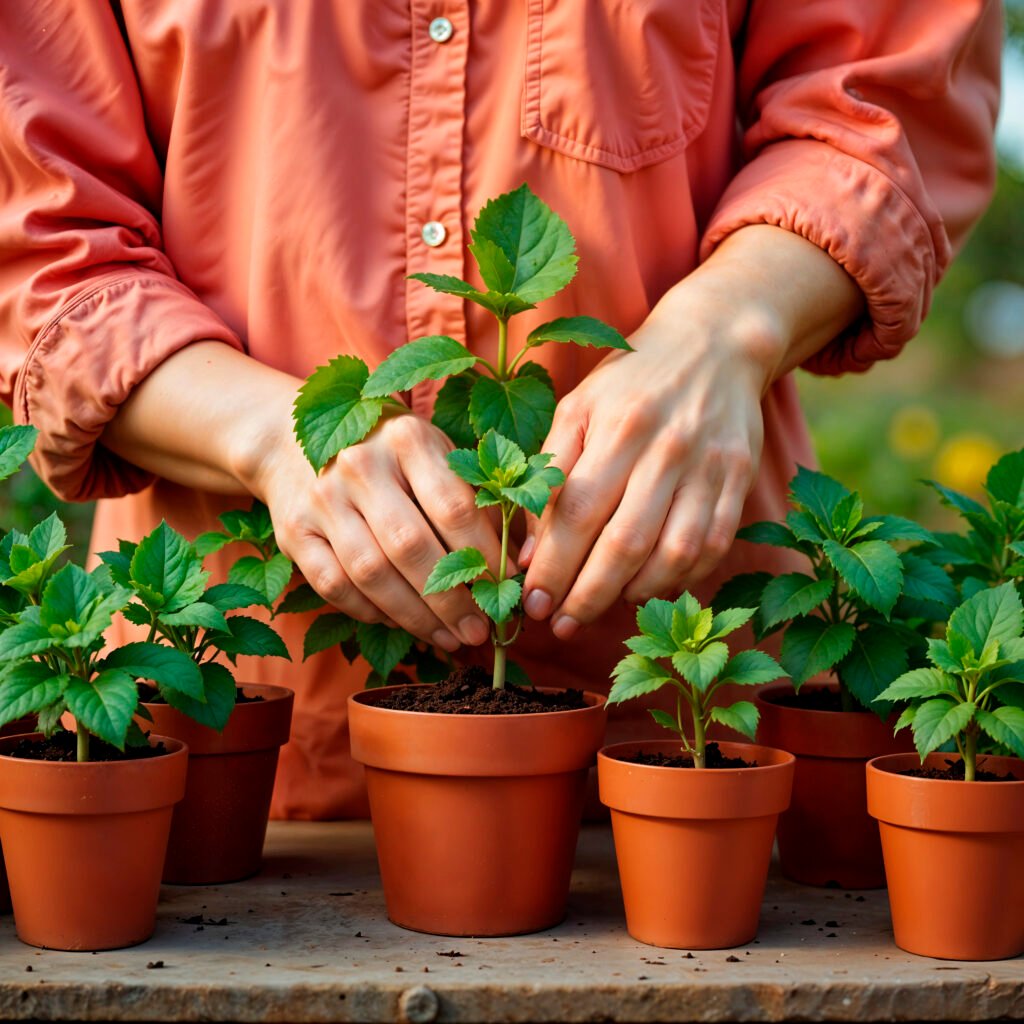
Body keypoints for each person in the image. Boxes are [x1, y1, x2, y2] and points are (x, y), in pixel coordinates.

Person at [0, 1, 1000, 818]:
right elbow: (40, 234)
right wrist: (264, 434)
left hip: (690, 732)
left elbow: (883, 100)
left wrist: (727, 330)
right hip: (230, 747)